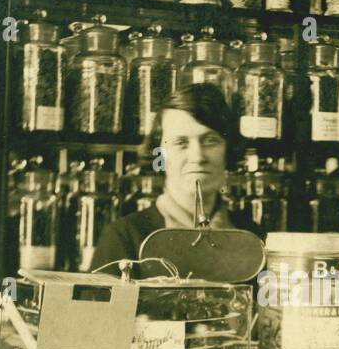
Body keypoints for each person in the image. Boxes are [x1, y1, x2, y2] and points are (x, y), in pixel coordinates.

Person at [91, 83, 256, 277]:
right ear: (159, 155)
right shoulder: (125, 236)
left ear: (229, 151)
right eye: (180, 143)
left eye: (210, 140)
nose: (197, 156)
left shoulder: (252, 235)